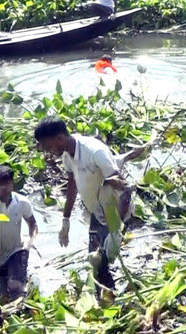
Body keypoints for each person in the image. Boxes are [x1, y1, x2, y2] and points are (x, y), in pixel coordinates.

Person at [34, 117, 134, 298]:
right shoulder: (67, 154)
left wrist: (116, 229)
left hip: (113, 210)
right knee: (94, 260)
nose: (48, 152)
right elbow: (72, 186)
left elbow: (125, 190)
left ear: (59, 138)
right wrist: (65, 220)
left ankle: (111, 301)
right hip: (96, 210)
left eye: (48, 146)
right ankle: (103, 294)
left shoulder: (95, 152)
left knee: (102, 262)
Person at [0, 166, 38, 301]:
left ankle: (21, 302)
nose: (4, 187)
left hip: (16, 250)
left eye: (7, 183)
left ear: (12, 184)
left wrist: (30, 243)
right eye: (0, 184)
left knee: (15, 287)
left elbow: (33, 224)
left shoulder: (22, 202)